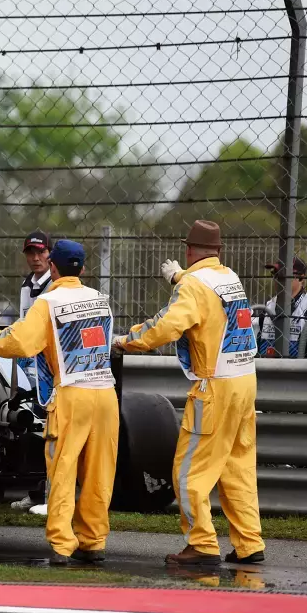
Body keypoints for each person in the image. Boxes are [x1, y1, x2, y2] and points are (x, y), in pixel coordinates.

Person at [113, 220, 265, 566]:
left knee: (188, 471)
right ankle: (249, 543)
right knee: (237, 467)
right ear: (219, 251)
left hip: (215, 387)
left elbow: (166, 327)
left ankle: (202, 544)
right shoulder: (229, 277)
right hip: (244, 381)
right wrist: (180, 278)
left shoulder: (194, 285)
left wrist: (125, 341)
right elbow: (204, 295)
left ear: (188, 250)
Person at [0, 240, 119, 565]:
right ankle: (93, 541)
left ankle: (62, 544)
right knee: (99, 472)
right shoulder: (102, 302)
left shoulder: (47, 302)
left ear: (53, 267)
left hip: (72, 395)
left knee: (62, 469)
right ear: (83, 269)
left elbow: (22, 341)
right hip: (106, 394)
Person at [11, 229, 53, 514]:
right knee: (30, 429)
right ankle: (36, 492)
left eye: (40, 252)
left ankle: (52, 495)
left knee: (50, 430)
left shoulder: (57, 284)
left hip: (49, 366)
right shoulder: (27, 284)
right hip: (29, 363)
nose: (35, 258)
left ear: (50, 254)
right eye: (30, 253)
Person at [258, 256, 307, 359]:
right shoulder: (268, 307)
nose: (278, 279)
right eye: (275, 274)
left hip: (306, 373)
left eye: (285, 275)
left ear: (301, 278)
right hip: (269, 372)